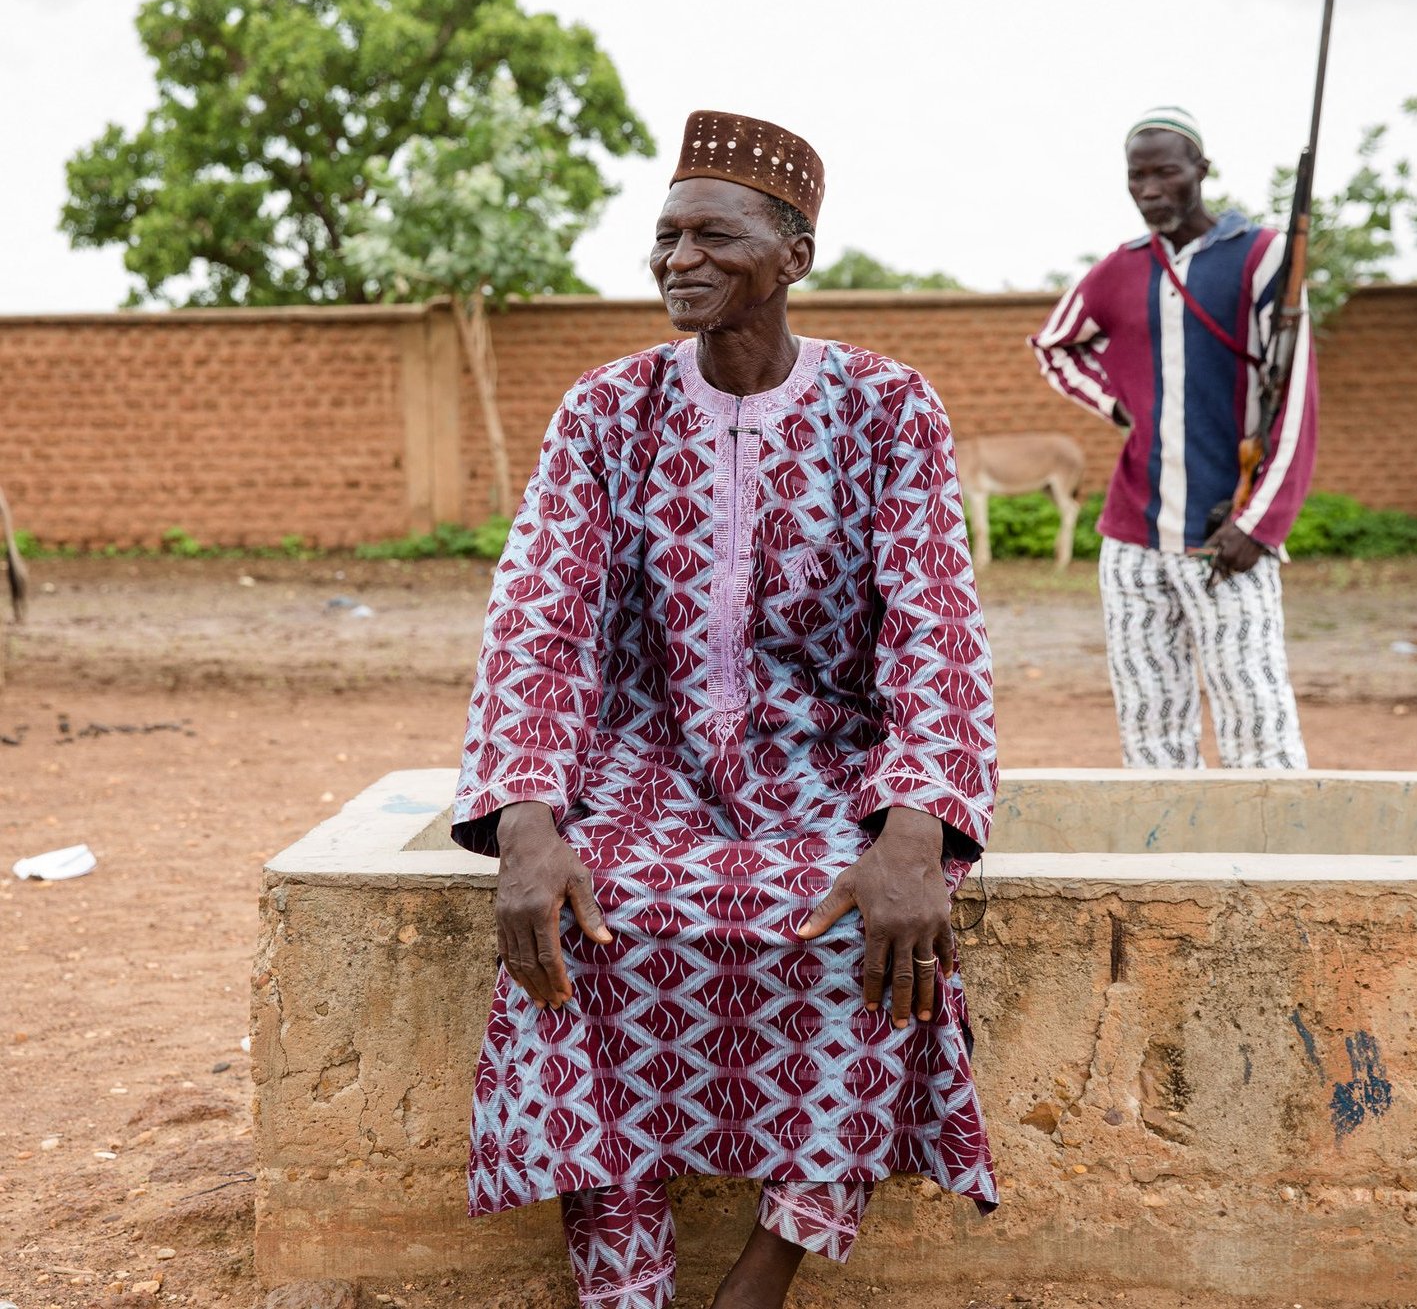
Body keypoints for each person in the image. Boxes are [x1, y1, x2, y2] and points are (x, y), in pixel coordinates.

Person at [451, 110, 998, 1309]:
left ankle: (764, 1272)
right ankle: (624, 1283)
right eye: (664, 236)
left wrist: (916, 825)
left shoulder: (887, 407)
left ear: (791, 255)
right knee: (584, 934)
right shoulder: (605, 411)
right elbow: (536, 617)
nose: (678, 259)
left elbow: (935, 625)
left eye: (713, 234)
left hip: (827, 773)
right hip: (643, 772)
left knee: (875, 931)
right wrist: (526, 819)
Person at [1030, 107, 1317, 770]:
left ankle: (1274, 870)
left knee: (1257, 723)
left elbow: (1295, 400)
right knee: (1150, 726)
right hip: (1131, 538)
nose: (1150, 189)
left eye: (1165, 172)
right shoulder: (1121, 268)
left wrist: (1261, 524)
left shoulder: (1262, 255)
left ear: (1201, 171)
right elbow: (1054, 347)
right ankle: (1166, 867)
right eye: (1137, 176)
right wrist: (1116, 404)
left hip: (1226, 534)